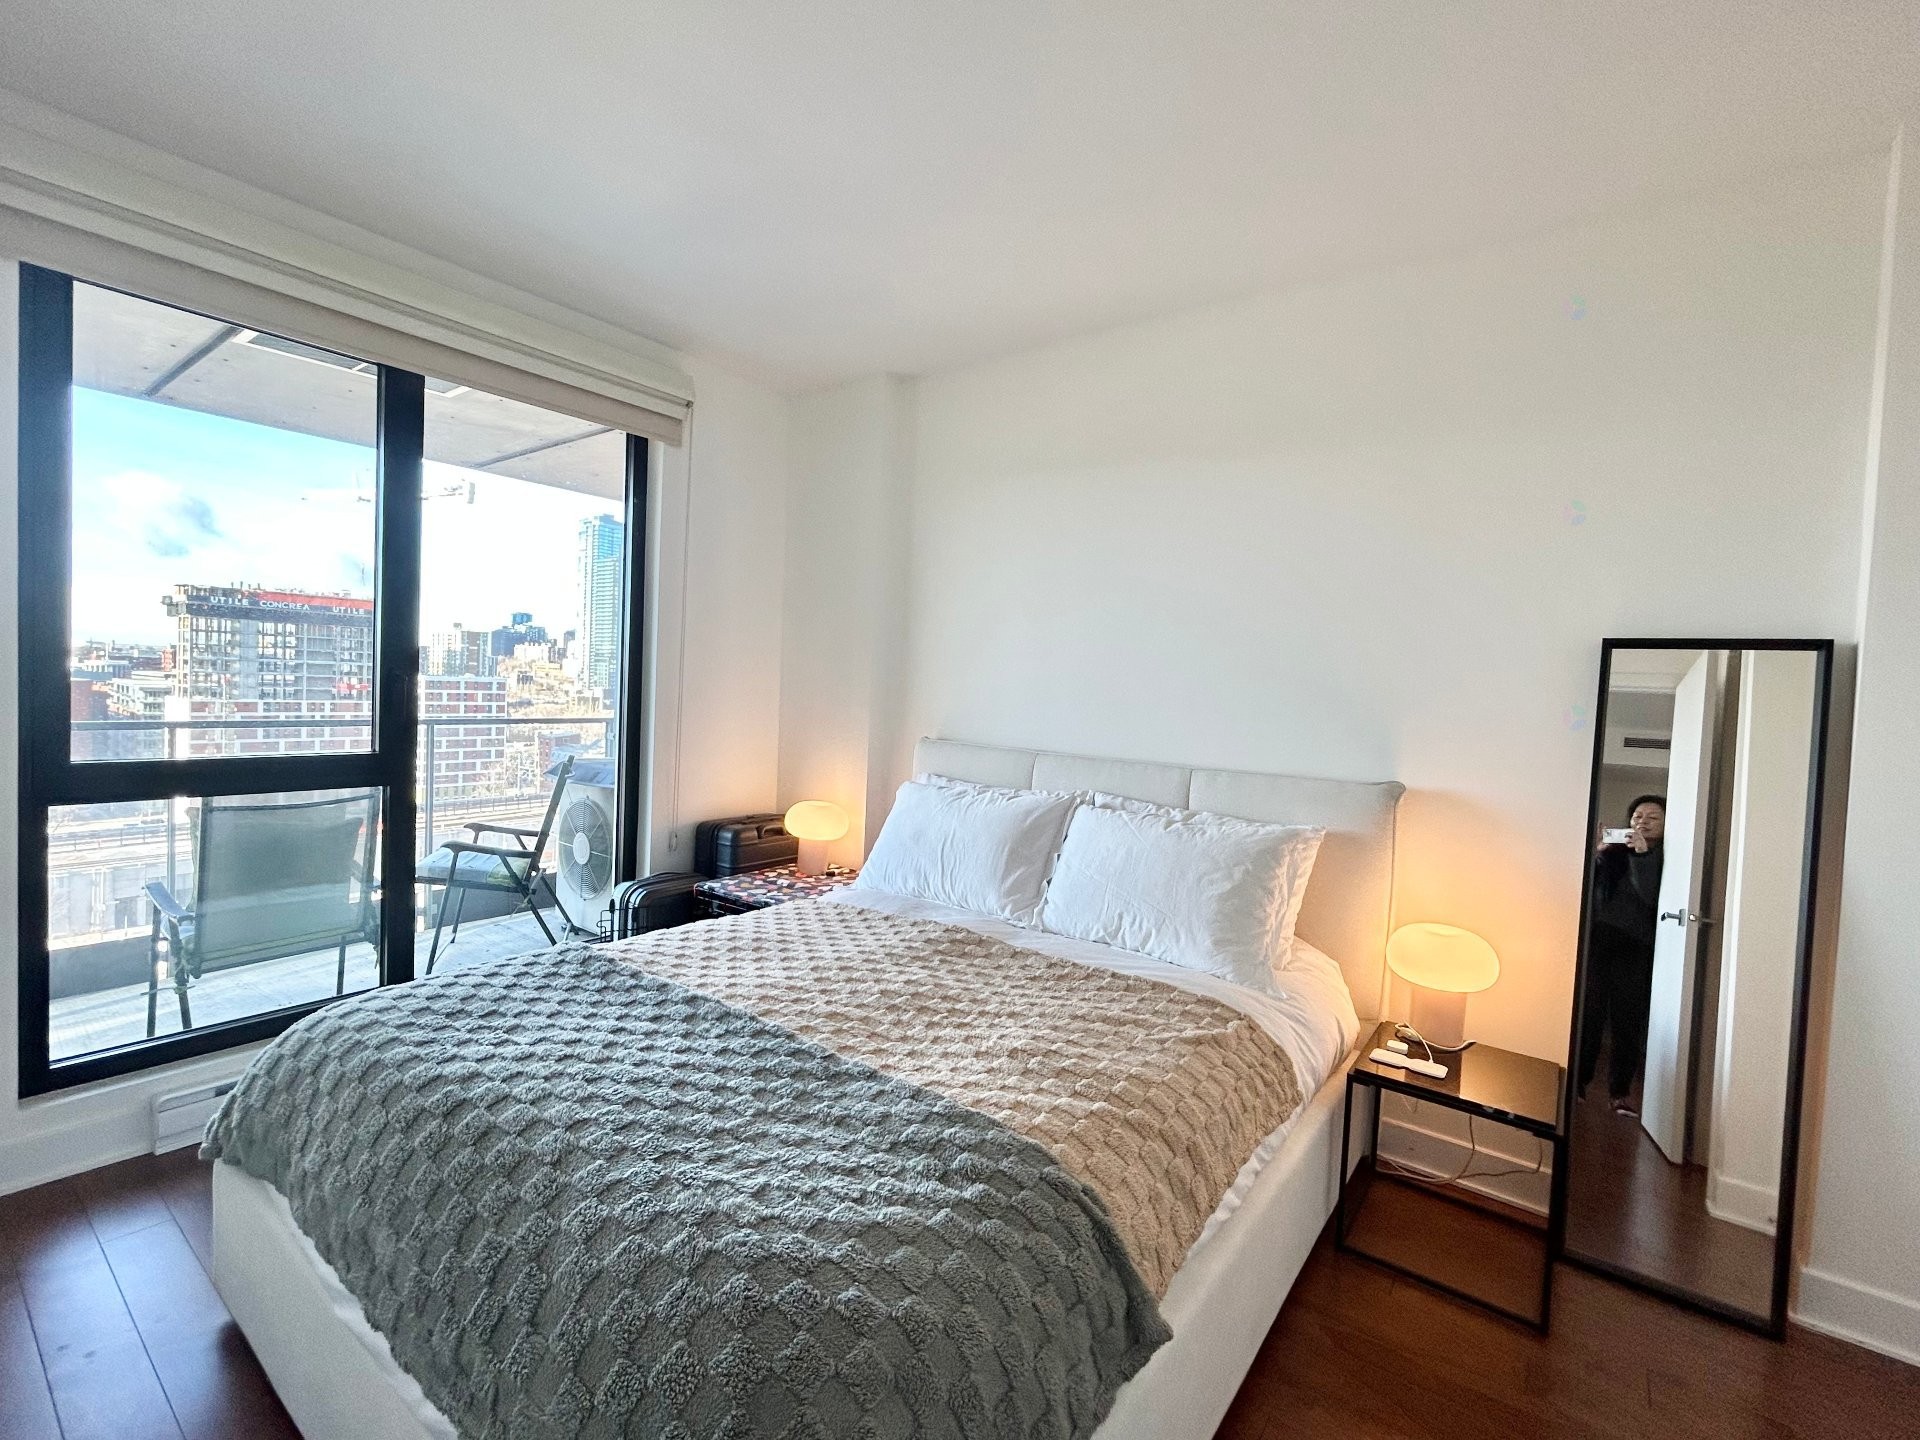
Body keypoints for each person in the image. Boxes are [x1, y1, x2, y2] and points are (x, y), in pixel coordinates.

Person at [1576, 795, 1666, 1115]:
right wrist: (1596, 854)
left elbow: (1651, 895)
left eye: (1652, 818)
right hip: (1599, 942)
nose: (1642, 821)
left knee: (1627, 1020)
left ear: (1667, 825)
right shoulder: (1612, 853)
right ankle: (1579, 1085)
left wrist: (1642, 854)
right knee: (1589, 1015)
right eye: (1638, 816)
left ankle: (1619, 1093)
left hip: (1635, 946)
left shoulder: (1665, 857)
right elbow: (1589, 891)